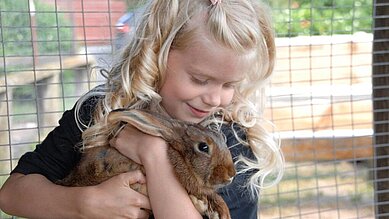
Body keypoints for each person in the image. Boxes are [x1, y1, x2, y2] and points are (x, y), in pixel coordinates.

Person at [0, 0, 284, 218]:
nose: (214, 99)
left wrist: (154, 155)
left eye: (229, 85)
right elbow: (12, 195)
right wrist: (86, 203)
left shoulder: (228, 140)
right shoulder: (101, 112)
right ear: (159, 52)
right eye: (200, 80)